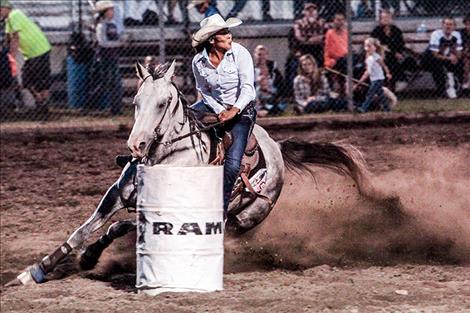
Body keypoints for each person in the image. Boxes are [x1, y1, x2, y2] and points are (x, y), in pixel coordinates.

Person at [190, 14, 256, 215]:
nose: (230, 36)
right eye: (225, 32)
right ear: (212, 40)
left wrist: (233, 111)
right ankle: (146, 157)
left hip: (242, 110)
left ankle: (220, 212)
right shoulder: (198, 62)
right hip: (214, 107)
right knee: (182, 120)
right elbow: (204, 91)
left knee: (232, 164)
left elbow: (248, 89)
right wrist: (220, 111)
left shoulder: (240, 53)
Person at [1, 0, 51, 115]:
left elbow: (15, 38)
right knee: (27, 80)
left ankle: (43, 104)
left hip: (38, 50)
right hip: (30, 53)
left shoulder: (14, 14)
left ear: (6, 8)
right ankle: (40, 102)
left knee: (40, 79)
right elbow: (8, 38)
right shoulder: (8, 21)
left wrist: (11, 57)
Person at [90, 1, 126, 115]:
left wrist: (122, 39)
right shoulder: (101, 26)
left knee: (115, 82)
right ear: (104, 12)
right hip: (104, 58)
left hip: (113, 57)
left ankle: (116, 108)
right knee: (105, 82)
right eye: (110, 10)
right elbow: (103, 43)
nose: (112, 12)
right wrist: (118, 44)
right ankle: (92, 103)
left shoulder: (113, 24)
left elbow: (116, 37)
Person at [371, 9, 418, 92]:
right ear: (380, 20)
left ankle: (398, 82)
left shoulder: (396, 30)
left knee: (407, 60)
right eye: (383, 18)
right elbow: (378, 45)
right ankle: (395, 83)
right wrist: (393, 52)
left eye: (387, 17)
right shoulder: (376, 31)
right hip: (381, 55)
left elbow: (401, 44)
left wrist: (398, 53)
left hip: (396, 55)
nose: (385, 20)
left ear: (391, 19)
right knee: (389, 59)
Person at [421, 16, 463, 99]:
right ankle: (442, 91)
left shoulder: (456, 35)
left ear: (454, 26)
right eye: (446, 24)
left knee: (459, 64)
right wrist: (449, 58)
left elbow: (459, 51)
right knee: (437, 67)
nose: (448, 27)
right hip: (429, 59)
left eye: (451, 25)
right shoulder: (436, 34)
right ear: (442, 25)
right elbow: (434, 54)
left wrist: (456, 58)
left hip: (445, 58)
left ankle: (455, 88)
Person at [355, 37, 392, 113]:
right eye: (366, 46)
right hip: (374, 79)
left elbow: (384, 66)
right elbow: (367, 71)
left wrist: (388, 73)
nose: (367, 48)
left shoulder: (376, 57)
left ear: (375, 47)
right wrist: (360, 81)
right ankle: (387, 109)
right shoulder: (368, 58)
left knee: (370, 94)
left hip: (378, 79)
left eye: (369, 46)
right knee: (380, 94)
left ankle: (363, 108)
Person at [253, 45, 286, 115]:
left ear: (267, 55)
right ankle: (264, 110)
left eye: (264, 54)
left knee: (280, 105)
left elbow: (281, 83)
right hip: (259, 95)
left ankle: (266, 111)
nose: (262, 57)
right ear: (255, 55)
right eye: (259, 54)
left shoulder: (273, 68)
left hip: (272, 94)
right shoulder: (252, 70)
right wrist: (259, 83)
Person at [323, 11, 348, 96]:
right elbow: (330, 51)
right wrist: (342, 55)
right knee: (346, 61)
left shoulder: (345, 33)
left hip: (345, 59)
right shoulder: (330, 33)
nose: (340, 22)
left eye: (342, 20)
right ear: (333, 21)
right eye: (338, 20)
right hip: (333, 60)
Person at [459, 13, 470, 90]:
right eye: (467, 24)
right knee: (466, 62)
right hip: (463, 55)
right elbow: (460, 48)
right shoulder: (461, 33)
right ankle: (465, 84)